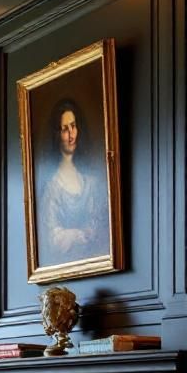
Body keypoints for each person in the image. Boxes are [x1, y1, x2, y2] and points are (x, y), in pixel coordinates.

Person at [38, 98, 107, 265]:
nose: (71, 135)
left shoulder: (90, 180)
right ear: (56, 135)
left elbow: (100, 224)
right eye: (64, 129)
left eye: (73, 126)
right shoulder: (52, 186)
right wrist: (79, 234)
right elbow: (52, 238)